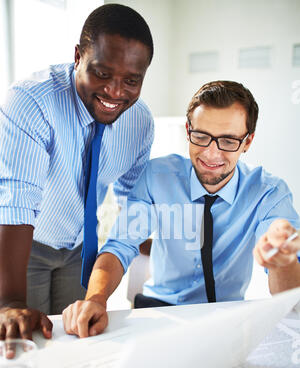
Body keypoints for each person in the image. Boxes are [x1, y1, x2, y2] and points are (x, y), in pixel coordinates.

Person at [62, 80, 300, 338]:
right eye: (201, 136)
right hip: (160, 311)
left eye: (228, 141)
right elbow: (120, 245)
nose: (211, 154)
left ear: (248, 142)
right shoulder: (156, 175)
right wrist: (96, 298)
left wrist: (284, 261)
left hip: (228, 317)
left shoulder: (269, 192)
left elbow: (288, 296)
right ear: (188, 131)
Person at [0, 4, 154, 341]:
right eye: (102, 73)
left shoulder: (140, 122)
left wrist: (147, 244)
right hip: (24, 244)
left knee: (74, 339)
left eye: (131, 80)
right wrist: (9, 301)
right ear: (77, 56)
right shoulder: (31, 101)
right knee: (25, 340)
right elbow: (16, 198)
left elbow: (135, 197)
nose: (115, 92)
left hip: (81, 248)